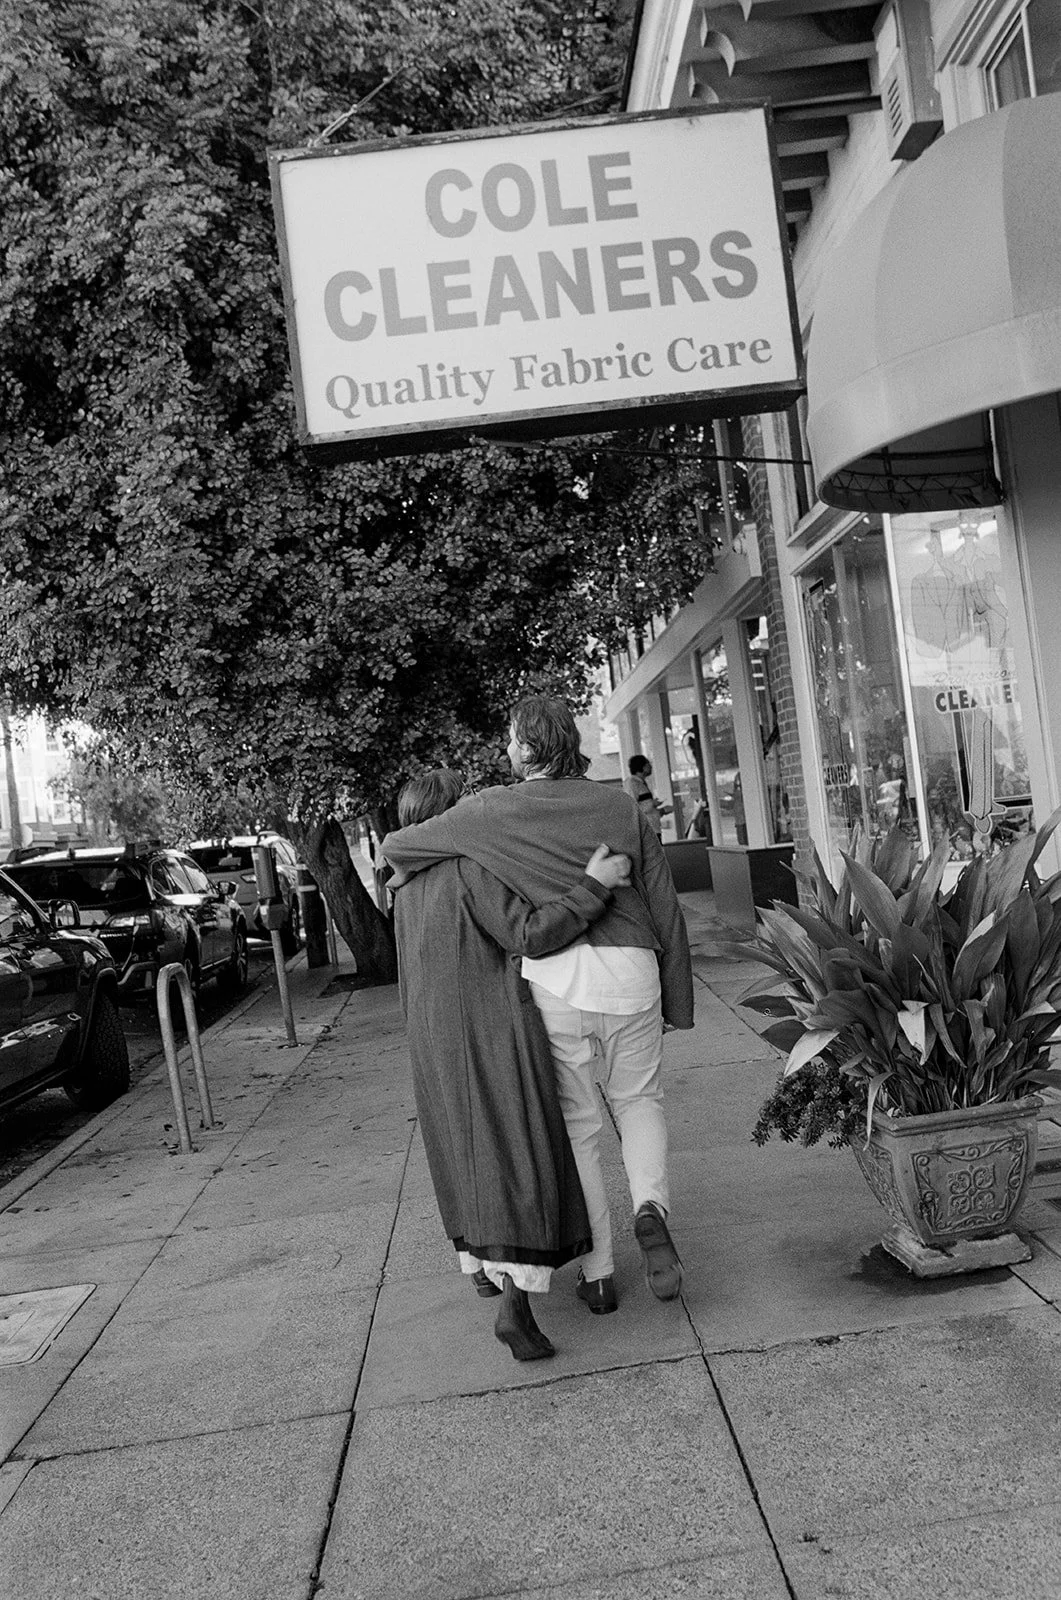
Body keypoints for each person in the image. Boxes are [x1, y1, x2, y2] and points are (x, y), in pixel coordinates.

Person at [382, 697, 695, 1318]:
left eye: (509, 739)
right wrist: (676, 995)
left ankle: (601, 1275)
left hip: (557, 982)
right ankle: (651, 1211)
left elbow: (397, 843)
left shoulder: (488, 809)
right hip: (633, 971)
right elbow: (661, 894)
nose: (504, 749)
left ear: (526, 749)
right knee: (639, 1101)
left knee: (577, 1126)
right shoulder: (617, 802)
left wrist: (408, 875)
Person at [391, 768, 633, 1363]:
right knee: (517, 1158)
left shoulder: (402, 888)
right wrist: (593, 887)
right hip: (492, 1032)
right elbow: (530, 934)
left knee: (463, 1155)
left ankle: (478, 1264)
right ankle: (514, 1306)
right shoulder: (470, 870)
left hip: (431, 1040)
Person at [624, 754, 672, 838]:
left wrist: (661, 810)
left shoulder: (641, 783)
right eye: (648, 764)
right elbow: (631, 807)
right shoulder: (632, 783)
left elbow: (644, 807)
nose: (651, 767)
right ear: (641, 767)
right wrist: (652, 804)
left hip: (653, 828)